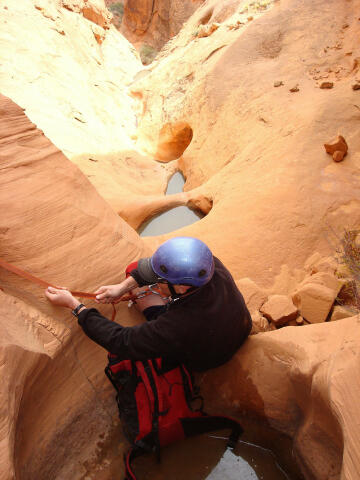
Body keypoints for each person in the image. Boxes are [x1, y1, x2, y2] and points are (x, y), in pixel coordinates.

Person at [45, 237, 252, 372]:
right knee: (136, 279)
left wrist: (75, 306)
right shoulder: (208, 266)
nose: (156, 281)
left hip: (208, 357)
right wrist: (121, 288)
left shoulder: (179, 325)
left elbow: (122, 342)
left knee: (142, 293)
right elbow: (151, 272)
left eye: (160, 280)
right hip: (236, 326)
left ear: (180, 287)